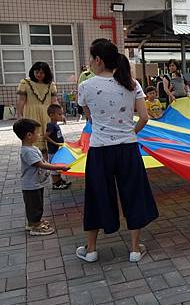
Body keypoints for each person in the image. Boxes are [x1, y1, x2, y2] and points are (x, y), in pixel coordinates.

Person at [77, 38, 159, 263]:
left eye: (92, 59)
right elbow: (144, 117)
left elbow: (90, 117)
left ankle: (91, 249)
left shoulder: (85, 86)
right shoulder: (132, 83)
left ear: (99, 60)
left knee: (96, 196)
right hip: (128, 148)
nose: (91, 63)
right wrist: (130, 132)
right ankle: (134, 249)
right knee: (133, 194)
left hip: (100, 150)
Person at [13, 118, 69, 236]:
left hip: (36, 183)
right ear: (29, 135)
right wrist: (58, 167)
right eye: (37, 132)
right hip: (31, 185)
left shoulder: (32, 148)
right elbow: (41, 164)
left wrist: (55, 166)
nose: (39, 135)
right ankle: (35, 226)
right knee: (35, 205)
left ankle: (33, 222)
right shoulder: (27, 151)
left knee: (37, 204)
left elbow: (43, 161)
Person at [16, 62, 59, 154]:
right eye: (37, 72)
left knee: (49, 137)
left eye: (42, 73)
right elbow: (21, 100)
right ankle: (35, 161)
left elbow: (54, 101)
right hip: (31, 114)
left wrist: (60, 114)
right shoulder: (25, 83)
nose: (39, 75)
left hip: (48, 115)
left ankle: (47, 162)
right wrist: (19, 114)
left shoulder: (51, 85)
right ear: (33, 71)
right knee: (33, 136)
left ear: (46, 73)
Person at [45, 104, 72, 190]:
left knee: (58, 165)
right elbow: (45, 137)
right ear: (51, 115)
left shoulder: (55, 124)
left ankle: (59, 180)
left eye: (62, 114)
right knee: (54, 167)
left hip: (57, 149)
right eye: (59, 114)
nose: (62, 116)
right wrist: (55, 144)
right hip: (53, 150)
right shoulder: (51, 125)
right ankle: (56, 183)